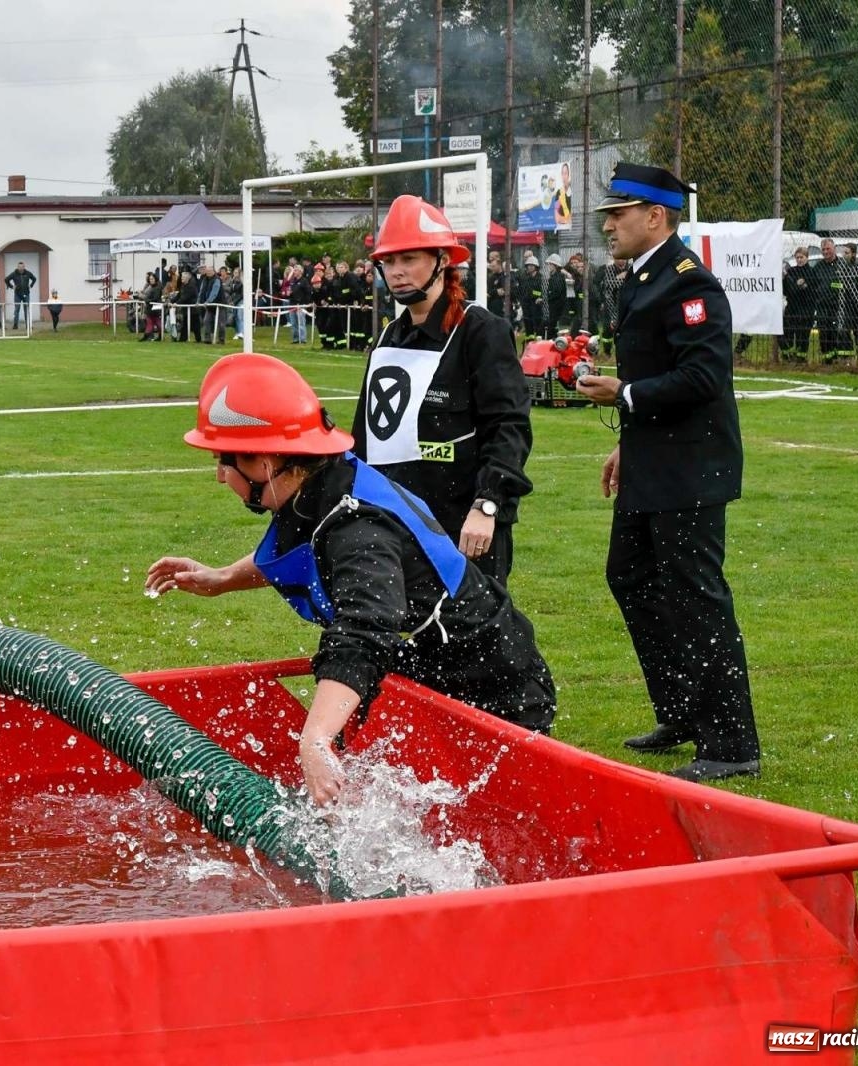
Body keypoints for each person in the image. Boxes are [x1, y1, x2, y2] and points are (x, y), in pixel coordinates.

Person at [146, 353, 556, 804]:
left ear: (264, 460)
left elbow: (364, 631)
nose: (220, 476)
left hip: (492, 694)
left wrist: (315, 738)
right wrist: (222, 577)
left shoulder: (359, 527)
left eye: (223, 461)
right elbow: (299, 555)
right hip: (428, 681)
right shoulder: (318, 485)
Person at [574, 162, 760, 783]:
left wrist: (623, 395)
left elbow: (703, 378)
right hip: (653, 463)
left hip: (690, 470)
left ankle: (732, 742)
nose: (608, 224)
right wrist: (627, 445)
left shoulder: (689, 284)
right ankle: (681, 713)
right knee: (629, 576)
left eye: (617, 214)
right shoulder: (640, 279)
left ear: (655, 216)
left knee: (696, 597)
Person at [353, 195, 534, 587]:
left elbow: (508, 427)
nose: (397, 272)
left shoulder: (481, 331)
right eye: (389, 261)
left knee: (473, 642)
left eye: (409, 259)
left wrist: (488, 505)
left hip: (463, 525)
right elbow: (364, 441)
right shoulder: (388, 337)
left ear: (442, 260)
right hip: (393, 525)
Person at [781, 248, 816, 360]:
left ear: (807, 257)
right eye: (797, 257)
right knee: (787, 332)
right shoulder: (791, 272)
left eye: (802, 257)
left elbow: (809, 290)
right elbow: (786, 290)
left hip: (806, 308)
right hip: (792, 307)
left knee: (803, 335)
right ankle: (788, 355)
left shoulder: (811, 272)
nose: (799, 260)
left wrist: (799, 286)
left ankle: (801, 359)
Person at [6, 261, 36, 329]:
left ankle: (28, 325)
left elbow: (34, 279)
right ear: (17, 267)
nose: (21, 268)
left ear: (24, 267)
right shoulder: (14, 274)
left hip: (26, 294)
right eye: (19, 267)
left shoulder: (28, 273)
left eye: (22, 267)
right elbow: (6, 279)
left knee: (27, 310)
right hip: (17, 295)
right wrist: (11, 286)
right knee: (17, 310)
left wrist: (31, 285)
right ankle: (15, 325)